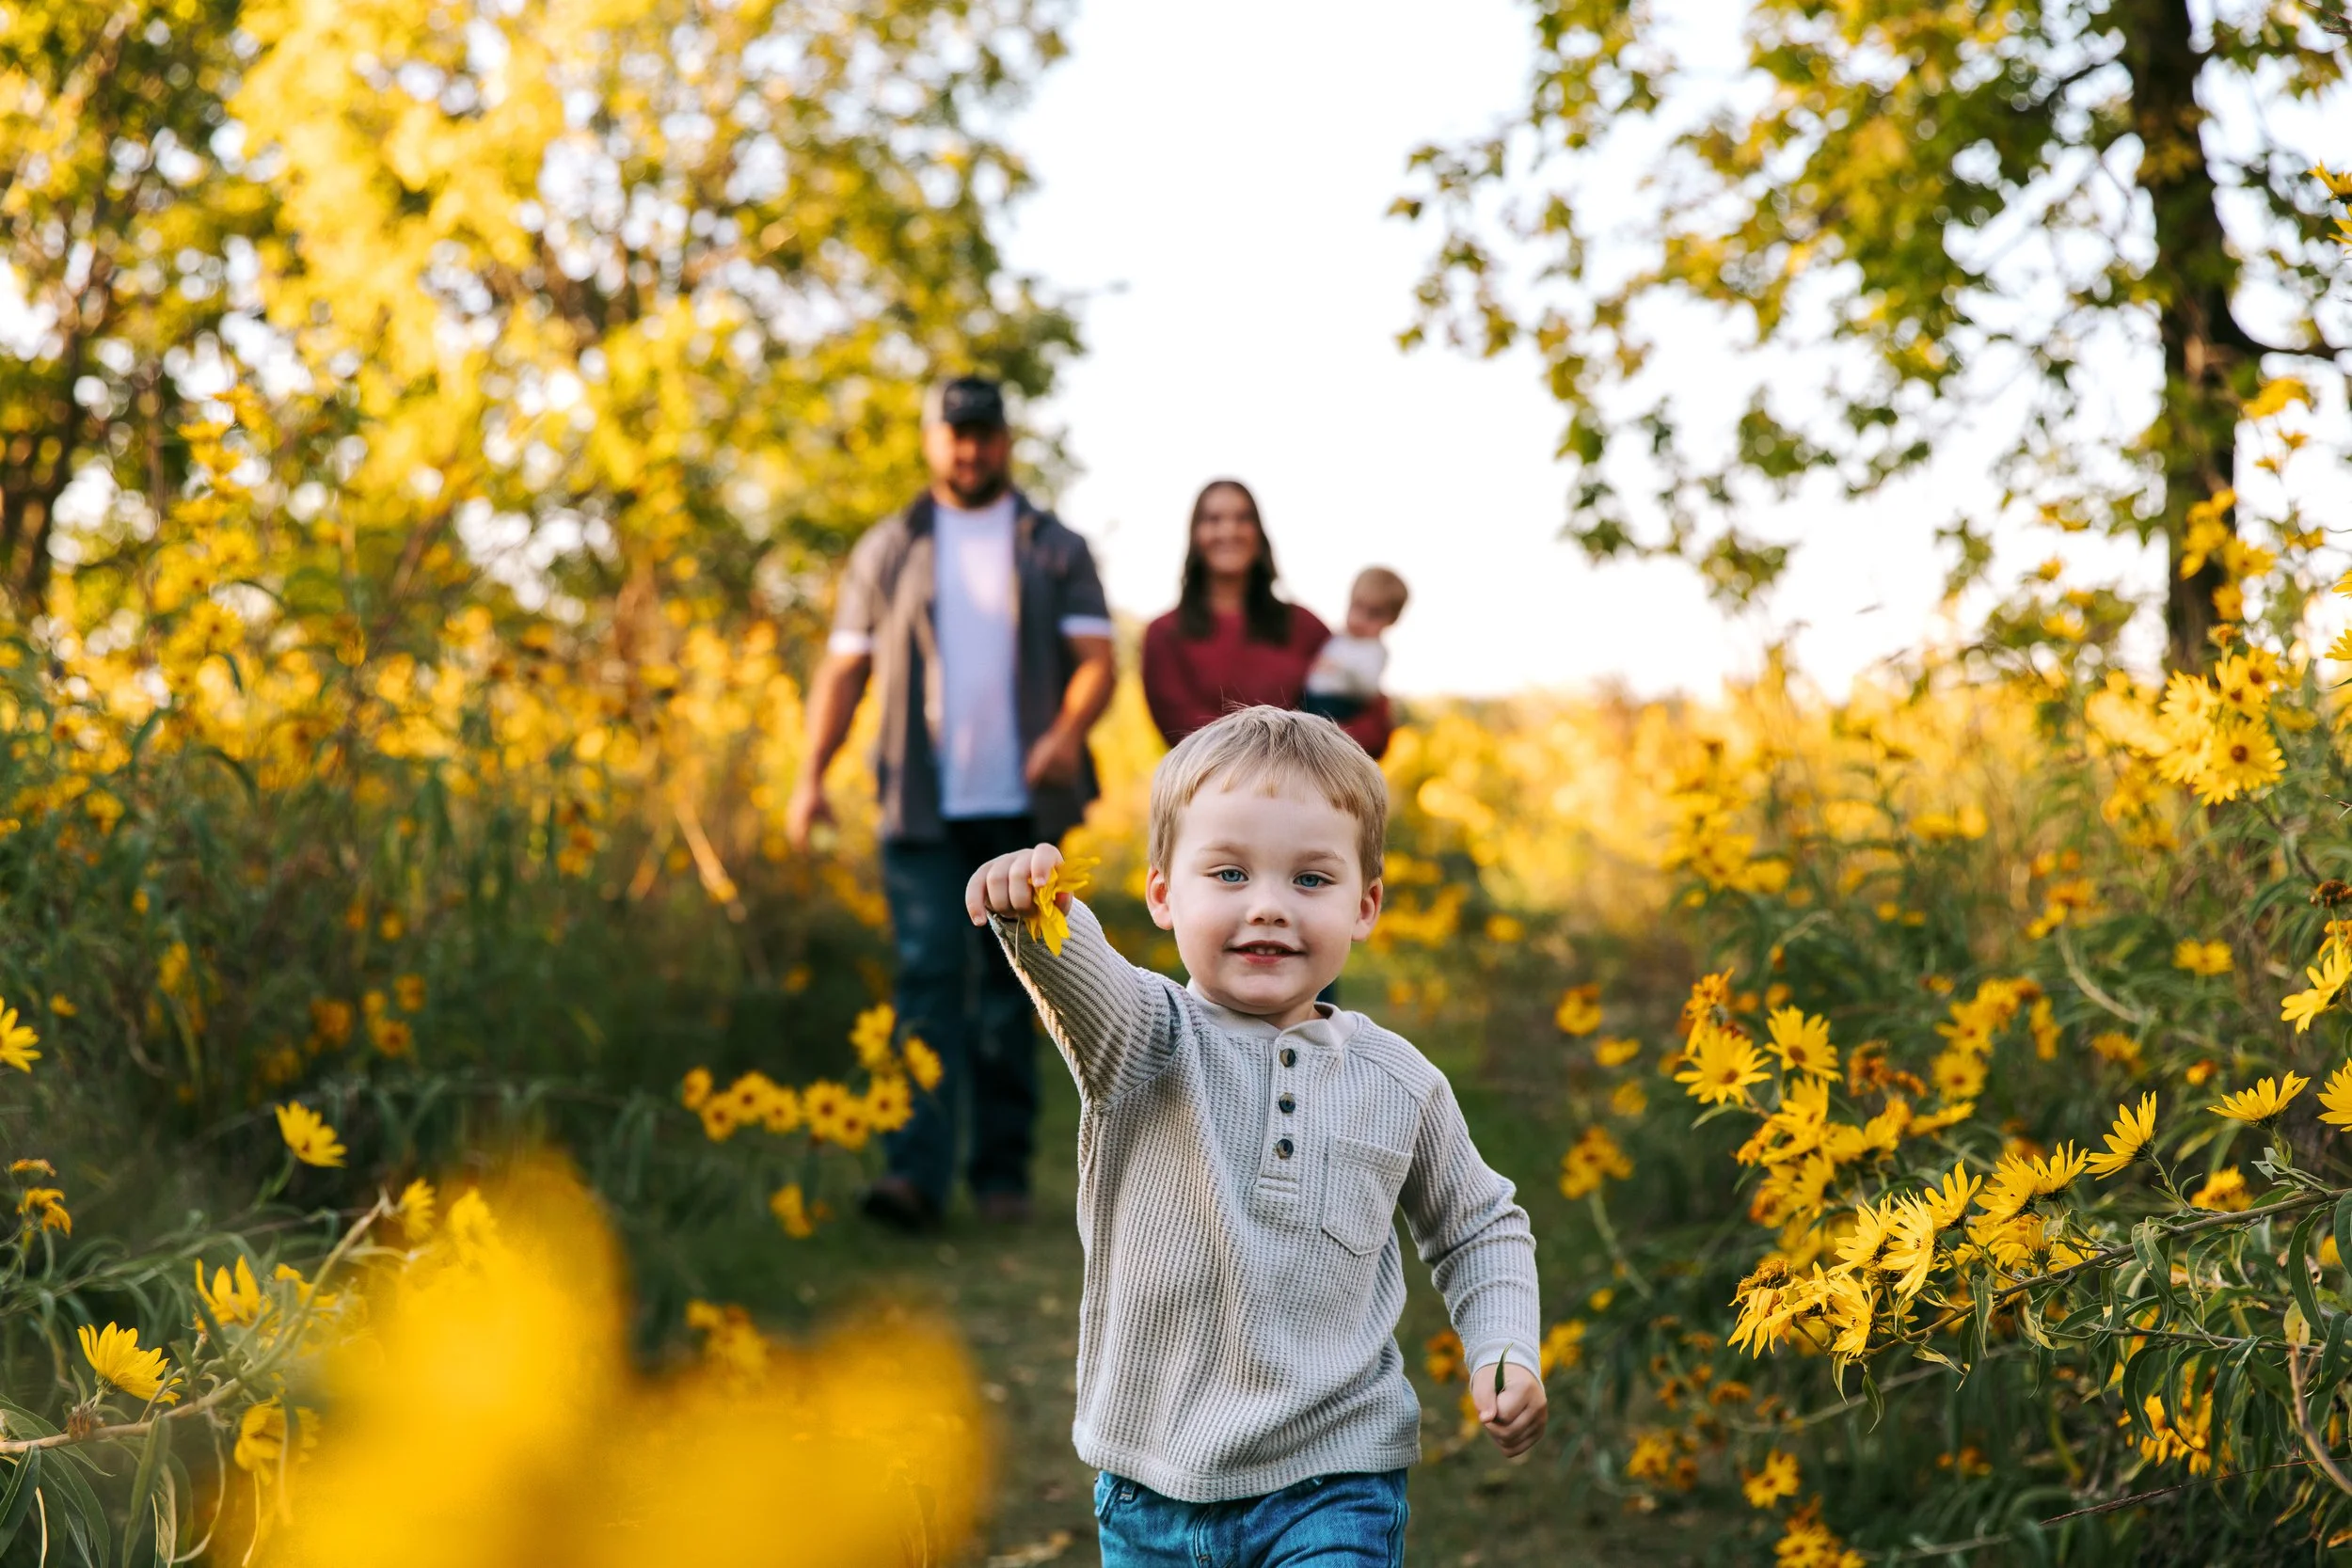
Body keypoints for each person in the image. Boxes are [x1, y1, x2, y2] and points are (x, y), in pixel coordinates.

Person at [964, 705, 1545, 1566]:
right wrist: (1035, 903)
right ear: (1164, 894)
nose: (1268, 907)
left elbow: (1478, 1223)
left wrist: (1505, 1346)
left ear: (1365, 904)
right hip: (1153, 1481)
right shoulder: (1144, 1038)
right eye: (1229, 874)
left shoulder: (1401, 1082)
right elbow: (1081, 974)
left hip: (1334, 1476)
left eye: (1311, 880)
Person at [786, 374, 1117, 1231]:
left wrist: (1066, 732)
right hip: (923, 808)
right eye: (953, 433)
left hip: (1026, 808)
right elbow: (845, 670)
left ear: (1006, 439)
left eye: (983, 432)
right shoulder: (888, 545)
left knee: (1022, 990)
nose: (969, 448)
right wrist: (809, 776)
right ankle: (914, 1177)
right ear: (932, 440)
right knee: (928, 982)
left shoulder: (1055, 545)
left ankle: (1003, 1177)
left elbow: (1096, 662)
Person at [1140, 480, 1393, 757]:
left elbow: (1373, 722)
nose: (1228, 530)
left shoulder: (1304, 626)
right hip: (1215, 795)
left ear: (1258, 534)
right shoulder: (1165, 634)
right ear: (1195, 534)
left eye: (1242, 518)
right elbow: (1182, 731)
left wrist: (1308, 750)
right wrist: (1285, 748)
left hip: (1303, 791)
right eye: (1213, 519)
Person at [1301, 567, 1407, 725]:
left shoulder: (1374, 650)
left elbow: (1367, 689)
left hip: (1339, 705)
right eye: (1356, 607)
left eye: (1374, 614)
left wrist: (1341, 669)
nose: (1360, 619)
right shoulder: (1338, 639)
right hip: (1310, 699)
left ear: (1391, 620)